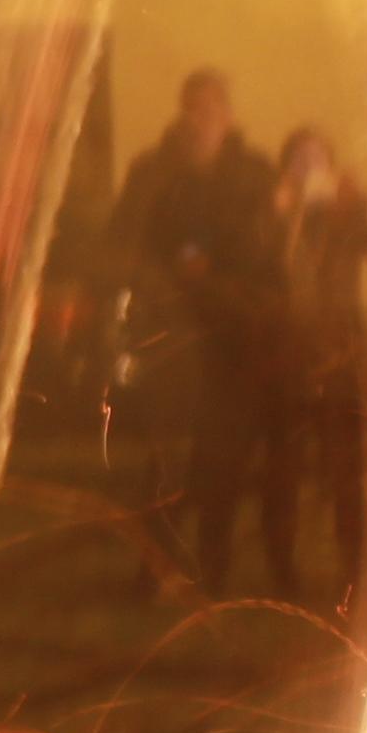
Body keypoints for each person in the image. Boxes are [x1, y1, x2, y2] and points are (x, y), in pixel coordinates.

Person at [104, 66, 281, 596]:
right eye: (189, 109)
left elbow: (263, 251)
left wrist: (218, 274)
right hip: (172, 335)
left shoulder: (253, 175)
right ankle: (155, 567)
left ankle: (213, 569)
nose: (196, 120)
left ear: (227, 116)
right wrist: (164, 280)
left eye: (207, 109)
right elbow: (125, 241)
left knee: (222, 458)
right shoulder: (153, 171)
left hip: (232, 334)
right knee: (166, 458)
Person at [265, 127, 367, 615]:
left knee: (345, 470)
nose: (309, 169)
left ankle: (352, 571)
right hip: (285, 359)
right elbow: (257, 259)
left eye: (318, 160)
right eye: (300, 160)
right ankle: (282, 572)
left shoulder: (345, 216)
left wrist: (361, 202)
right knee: (284, 471)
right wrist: (280, 214)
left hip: (339, 356)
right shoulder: (272, 212)